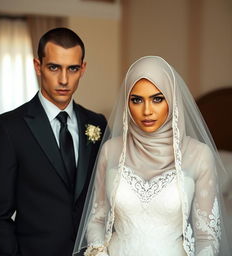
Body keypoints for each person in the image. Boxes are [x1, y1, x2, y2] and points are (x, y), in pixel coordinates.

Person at [73, 56, 232, 255]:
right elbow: (96, 220)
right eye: (137, 100)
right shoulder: (111, 150)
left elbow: (206, 237)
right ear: (127, 103)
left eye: (157, 99)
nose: (147, 110)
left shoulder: (198, 155)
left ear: (172, 99)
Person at [0, 27, 107, 256]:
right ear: (38, 66)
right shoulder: (9, 128)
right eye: (54, 67)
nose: (63, 79)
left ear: (83, 69)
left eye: (72, 69)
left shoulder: (97, 124)